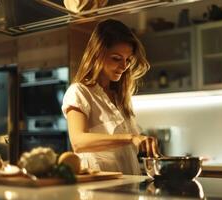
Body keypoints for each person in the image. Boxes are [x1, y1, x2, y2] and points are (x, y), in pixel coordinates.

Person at [61, 19, 161, 175]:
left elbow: (126, 150)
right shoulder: (79, 92)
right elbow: (78, 142)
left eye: (128, 60)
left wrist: (143, 142)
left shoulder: (120, 98)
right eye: (116, 58)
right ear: (97, 55)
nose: (124, 66)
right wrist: (130, 138)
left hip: (128, 189)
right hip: (97, 192)